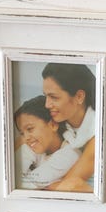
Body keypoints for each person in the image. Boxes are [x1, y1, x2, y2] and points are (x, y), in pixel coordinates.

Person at [41, 62, 97, 192]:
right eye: (46, 96)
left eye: (54, 97)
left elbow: (67, 187)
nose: (47, 105)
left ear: (79, 96)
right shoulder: (56, 123)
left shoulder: (98, 134)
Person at [14, 95, 81, 190]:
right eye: (22, 133)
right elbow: (13, 174)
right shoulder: (36, 145)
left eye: (30, 129)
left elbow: (24, 184)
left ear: (53, 125)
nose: (26, 138)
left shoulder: (69, 154)